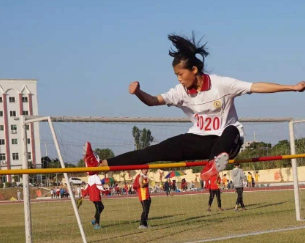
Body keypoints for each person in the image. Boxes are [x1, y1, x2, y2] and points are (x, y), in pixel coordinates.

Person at [83, 33, 305, 183]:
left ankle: (216, 163)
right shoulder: (179, 93)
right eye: (176, 76)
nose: (178, 79)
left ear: (195, 70)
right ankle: (99, 165)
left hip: (228, 140)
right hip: (199, 139)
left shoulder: (221, 84)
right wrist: (139, 93)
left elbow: (256, 86)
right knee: (152, 151)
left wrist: (291, 87)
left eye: (181, 74)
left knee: (232, 130)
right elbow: (152, 101)